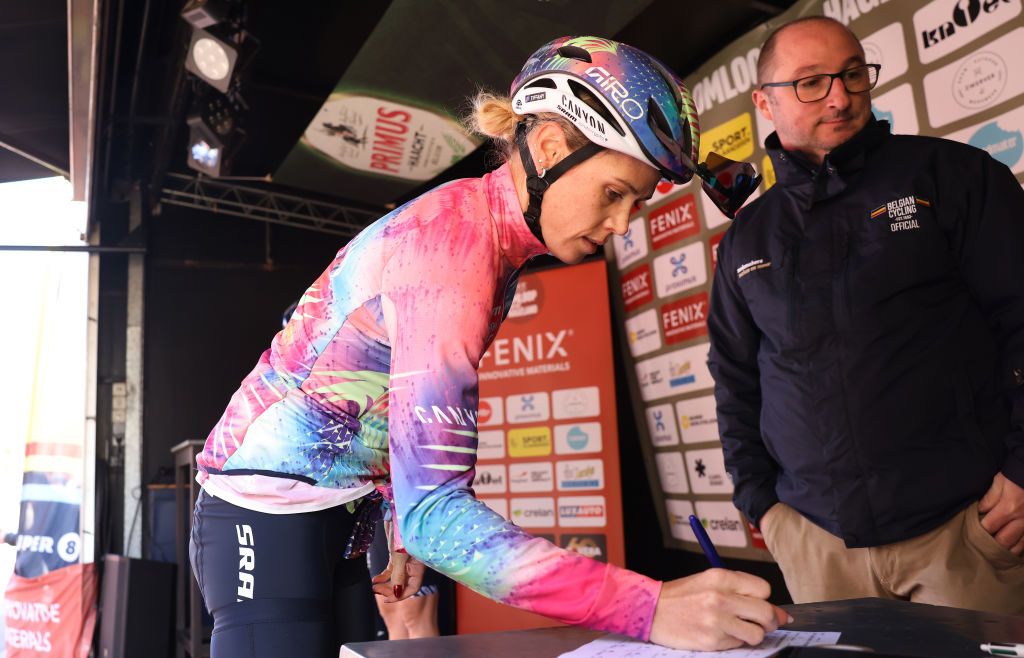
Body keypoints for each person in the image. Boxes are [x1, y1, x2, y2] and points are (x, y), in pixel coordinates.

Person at [189, 35, 788, 658]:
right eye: (614, 193)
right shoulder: (453, 251)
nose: (620, 225)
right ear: (550, 148)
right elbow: (437, 517)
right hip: (259, 511)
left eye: (636, 203)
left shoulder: (485, 234)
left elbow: (382, 392)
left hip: (340, 507)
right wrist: (650, 607)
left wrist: (395, 512)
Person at [708, 16, 1024, 613]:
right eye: (811, 82)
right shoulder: (748, 237)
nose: (841, 95)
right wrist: (764, 507)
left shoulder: (953, 176)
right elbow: (736, 380)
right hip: (818, 548)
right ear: (764, 103)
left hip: (967, 534)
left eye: (853, 74)